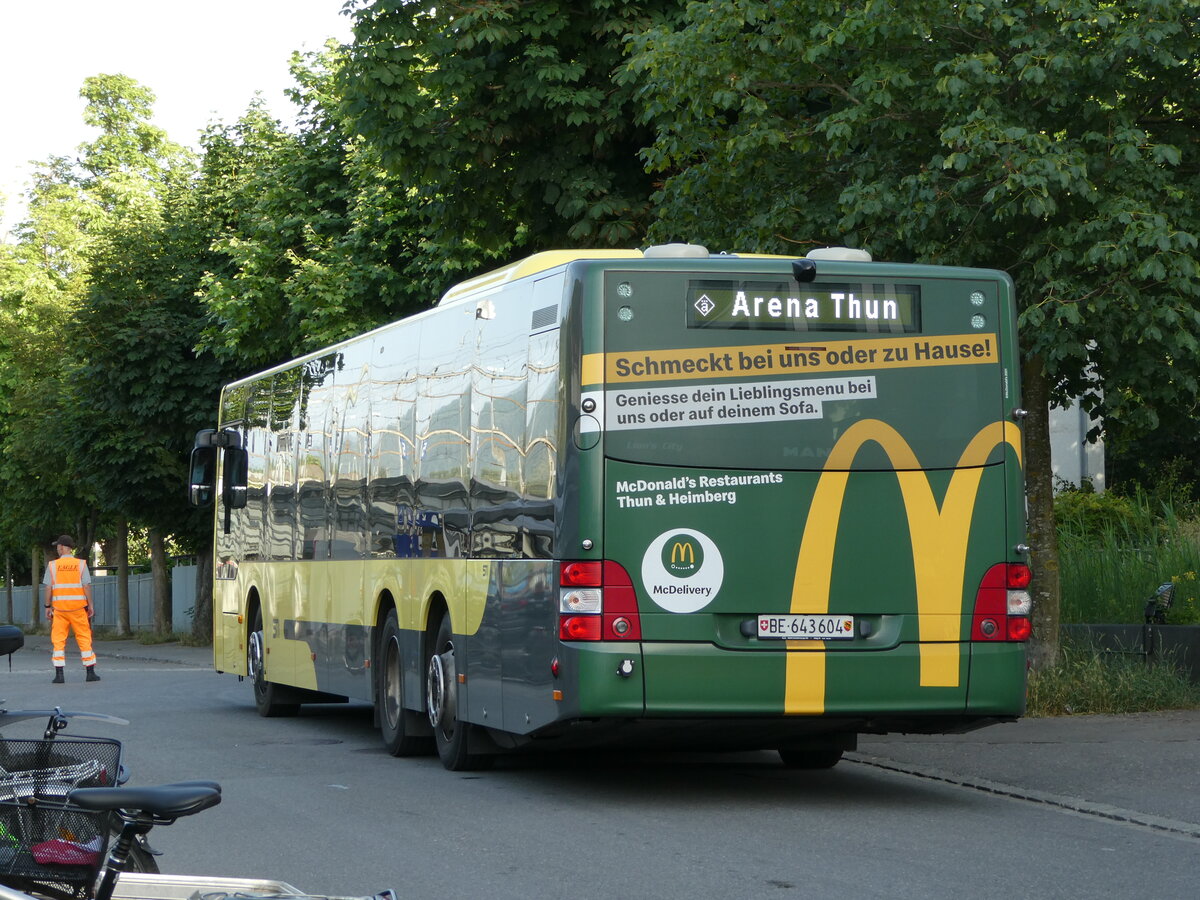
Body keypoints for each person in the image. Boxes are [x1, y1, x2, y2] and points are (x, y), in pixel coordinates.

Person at [42, 535, 99, 683]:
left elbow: (48, 588)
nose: (56, 549)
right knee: (84, 638)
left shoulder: (52, 566)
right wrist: (90, 604)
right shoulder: (81, 564)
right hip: (78, 609)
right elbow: (86, 585)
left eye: (57, 546)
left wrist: (47, 606)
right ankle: (90, 673)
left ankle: (59, 675)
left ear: (62, 547)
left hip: (60, 610)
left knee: (58, 640)